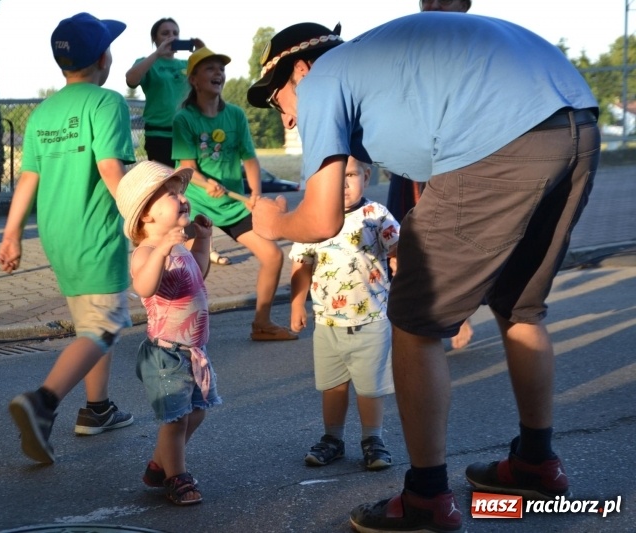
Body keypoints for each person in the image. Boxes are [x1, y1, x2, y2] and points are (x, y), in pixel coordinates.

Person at [247, 16, 599, 533]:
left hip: (500, 139)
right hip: (576, 119)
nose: (289, 123)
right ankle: (535, 463)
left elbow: (321, 219)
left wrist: (274, 220)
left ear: (298, 71)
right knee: (520, 306)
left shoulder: (322, 79)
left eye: (279, 105)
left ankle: (427, 498)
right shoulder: (383, 64)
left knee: (413, 322)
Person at [0, 13, 135, 464]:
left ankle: (97, 409)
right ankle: (44, 401)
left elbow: (28, 178)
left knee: (89, 326)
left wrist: (12, 233)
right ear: (103, 57)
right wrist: (142, 218)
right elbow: (112, 170)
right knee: (106, 323)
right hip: (95, 232)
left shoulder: (44, 111)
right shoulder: (106, 102)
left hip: (56, 235)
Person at [173, 46, 297, 342]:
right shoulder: (184, 120)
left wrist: (255, 192)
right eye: (210, 69)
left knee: (272, 255)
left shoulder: (236, 116)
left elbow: (250, 159)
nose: (218, 73)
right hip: (198, 203)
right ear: (194, 79)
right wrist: (207, 184)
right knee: (194, 267)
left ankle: (262, 323)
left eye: (221, 69)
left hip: (232, 205)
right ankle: (177, 330)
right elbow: (188, 167)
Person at [115, 161, 221, 506]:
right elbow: (145, 285)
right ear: (146, 215)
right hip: (166, 354)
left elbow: (199, 272)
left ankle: (160, 465)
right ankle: (177, 477)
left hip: (193, 351)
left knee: (197, 412)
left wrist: (202, 242)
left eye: (180, 193)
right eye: (172, 195)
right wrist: (161, 251)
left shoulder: (178, 247)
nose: (183, 199)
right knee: (175, 421)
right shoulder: (146, 253)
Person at [289, 156, 398, 470]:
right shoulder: (312, 218)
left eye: (350, 174)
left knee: (370, 387)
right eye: (335, 176)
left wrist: (398, 261)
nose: (343, 183)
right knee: (333, 385)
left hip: (372, 320)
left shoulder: (375, 215)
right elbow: (301, 263)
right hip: (328, 322)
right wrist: (297, 304)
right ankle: (332, 439)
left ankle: (373, 439)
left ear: (366, 175)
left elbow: (397, 245)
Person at [386, 0, 475, 351]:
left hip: (461, 160)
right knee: (406, 238)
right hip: (413, 162)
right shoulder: (410, 44)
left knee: (456, 236)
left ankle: (459, 313)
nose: (432, 4)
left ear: (464, 4)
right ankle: (414, 314)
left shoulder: (476, 44)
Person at [124, 18, 230, 267]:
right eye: (165, 33)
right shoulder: (147, 63)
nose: (171, 37)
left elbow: (210, 79)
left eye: (175, 33)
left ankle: (204, 244)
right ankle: (161, 243)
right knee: (167, 192)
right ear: (156, 38)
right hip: (160, 134)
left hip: (187, 132)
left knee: (194, 186)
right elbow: (130, 79)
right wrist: (157, 54)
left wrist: (203, 52)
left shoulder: (186, 65)